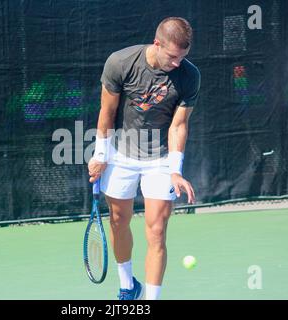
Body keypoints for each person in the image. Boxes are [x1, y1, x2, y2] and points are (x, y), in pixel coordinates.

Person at [88, 17, 200, 300]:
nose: (177, 63)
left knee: (157, 230)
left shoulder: (189, 75)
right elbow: (107, 112)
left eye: (183, 57)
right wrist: (101, 154)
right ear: (157, 43)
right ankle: (128, 286)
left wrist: (176, 170)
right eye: (172, 56)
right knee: (117, 220)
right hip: (121, 154)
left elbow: (178, 125)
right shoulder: (120, 62)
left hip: (160, 159)